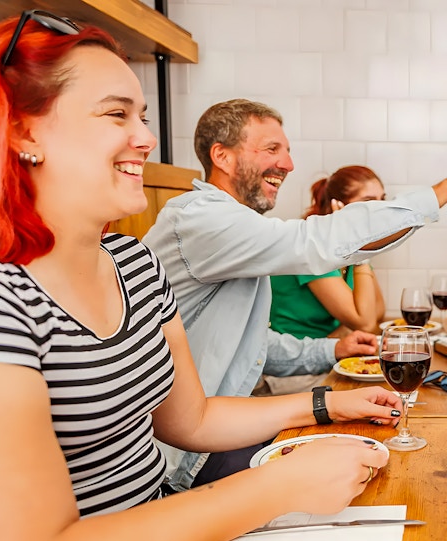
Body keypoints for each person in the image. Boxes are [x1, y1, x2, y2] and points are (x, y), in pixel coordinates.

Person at [0, 12, 399, 541]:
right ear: (25, 133)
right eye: (115, 114)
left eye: (144, 117)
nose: (145, 138)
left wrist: (325, 406)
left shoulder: (132, 263)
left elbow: (192, 419)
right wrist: (278, 486)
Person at [143, 98, 447, 491]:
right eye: (272, 149)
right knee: (370, 471)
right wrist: (439, 193)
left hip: (218, 433)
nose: (288, 164)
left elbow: (248, 345)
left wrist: (331, 351)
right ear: (223, 156)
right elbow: (316, 240)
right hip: (185, 457)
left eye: (287, 151)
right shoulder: (201, 218)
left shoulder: (234, 229)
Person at [270, 165, 387, 341]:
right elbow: (367, 323)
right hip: (299, 358)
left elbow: (378, 311)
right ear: (338, 206)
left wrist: (361, 248)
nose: (381, 210)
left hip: (332, 349)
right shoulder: (313, 245)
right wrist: (361, 251)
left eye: (382, 200)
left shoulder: (346, 244)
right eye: (369, 202)